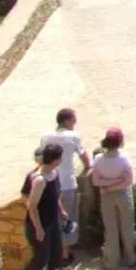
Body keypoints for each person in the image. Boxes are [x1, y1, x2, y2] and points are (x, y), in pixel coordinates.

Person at [37, 108, 90, 260]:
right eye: (74, 120)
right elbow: (86, 161)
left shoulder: (45, 136)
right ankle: (64, 256)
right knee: (67, 220)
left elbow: (40, 158)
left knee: (50, 219)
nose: (75, 123)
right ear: (67, 121)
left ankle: (51, 254)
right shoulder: (73, 136)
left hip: (47, 184)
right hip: (66, 184)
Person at [90, 127, 136, 270]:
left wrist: (108, 186)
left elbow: (96, 181)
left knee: (110, 229)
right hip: (123, 195)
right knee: (127, 227)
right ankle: (130, 258)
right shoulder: (124, 159)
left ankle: (111, 263)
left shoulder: (98, 159)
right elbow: (128, 181)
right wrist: (117, 181)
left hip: (106, 196)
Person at [24, 143, 67, 270]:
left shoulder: (54, 174)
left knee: (56, 255)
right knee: (42, 258)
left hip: (53, 221)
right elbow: (32, 206)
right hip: (39, 224)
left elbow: (55, 195)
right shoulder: (39, 180)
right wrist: (39, 229)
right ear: (55, 160)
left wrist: (60, 209)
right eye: (60, 158)